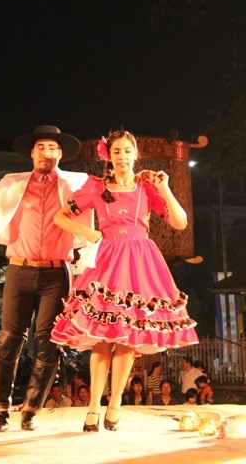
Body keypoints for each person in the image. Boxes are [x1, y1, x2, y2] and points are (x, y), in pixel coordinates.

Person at [50, 130, 199, 432]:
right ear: (108, 155)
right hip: (107, 262)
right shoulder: (97, 187)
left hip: (141, 263)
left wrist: (166, 187)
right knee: (104, 338)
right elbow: (60, 217)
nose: (122, 156)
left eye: (127, 151)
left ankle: (115, 404)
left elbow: (180, 223)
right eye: (116, 151)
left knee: (129, 338)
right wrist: (90, 234)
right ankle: (94, 407)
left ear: (135, 154)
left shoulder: (147, 187)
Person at [0, 125, 92, 432]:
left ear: (60, 154)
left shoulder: (75, 184)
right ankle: (0, 408)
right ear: (32, 152)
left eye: (53, 148)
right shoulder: (13, 183)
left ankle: (31, 409)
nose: (47, 153)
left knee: (48, 342)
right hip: (19, 268)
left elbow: (104, 197)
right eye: (41, 147)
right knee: (9, 338)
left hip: (57, 271)